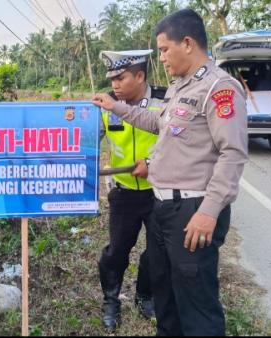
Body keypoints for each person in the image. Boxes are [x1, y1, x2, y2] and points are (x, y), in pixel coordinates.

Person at [92, 8, 248, 336]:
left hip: (192, 211)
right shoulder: (179, 88)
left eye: (164, 49)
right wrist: (115, 107)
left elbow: (232, 154)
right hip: (163, 207)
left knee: (196, 303)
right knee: (167, 297)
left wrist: (208, 212)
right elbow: (157, 122)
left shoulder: (219, 89)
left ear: (187, 43)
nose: (161, 57)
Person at [96, 49, 165, 331]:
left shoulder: (167, 100)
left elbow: (181, 141)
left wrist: (152, 163)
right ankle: (111, 300)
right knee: (117, 251)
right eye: (111, 78)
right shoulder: (106, 105)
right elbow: (89, 140)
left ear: (140, 76)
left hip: (160, 192)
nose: (114, 85)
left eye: (120, 78)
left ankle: (144, 296)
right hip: (124, 191)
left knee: (157, 250)